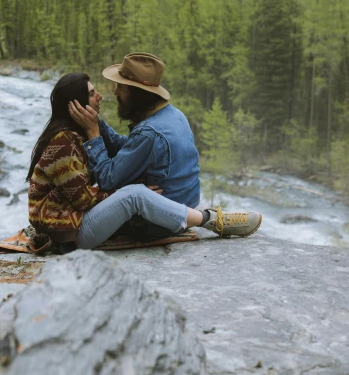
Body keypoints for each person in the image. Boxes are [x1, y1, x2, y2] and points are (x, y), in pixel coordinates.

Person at [68, 52, 262, 239]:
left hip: (159, 220)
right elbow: (130, 149)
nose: (115, 91)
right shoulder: (173, 114)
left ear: (137, 93)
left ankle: (210, 220)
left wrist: (94, 135)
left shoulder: (149, 132)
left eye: (121, 87)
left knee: (100, 206)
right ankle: (209, 217)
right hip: (189, 202)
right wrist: (98, 123)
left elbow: (107, 179)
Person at [27, 72, 218, 250]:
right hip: (68, 231)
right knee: (135, 194)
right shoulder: (63, 143)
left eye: (120, 87)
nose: (103, 95)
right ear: (76, 105)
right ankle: (209, 219)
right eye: (92, 93)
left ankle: (204, 218)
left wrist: (96, 127)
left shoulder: (80, 135)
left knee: (135, 192)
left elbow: (126, 150)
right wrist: (123, 189)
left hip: (74, 222)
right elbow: (84, 200)